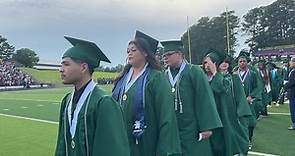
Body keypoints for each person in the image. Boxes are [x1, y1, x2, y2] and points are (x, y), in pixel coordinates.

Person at [55, 36, 130, 156]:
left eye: (66, 64)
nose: (61, 69)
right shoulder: (67, 101)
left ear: (83, 67)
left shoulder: (104, 103)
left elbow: (112, 150)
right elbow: (62, 145)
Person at [112, 31, 181, 156]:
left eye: (134, 50)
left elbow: (166, 117)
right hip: (122, 142)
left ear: (145, 53)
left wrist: (164, 150)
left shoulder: (156, 78)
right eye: (128, 51)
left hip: (147, 143)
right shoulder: (121, 79)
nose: (129, 53)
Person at [161, 40, 222, 156]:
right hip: (173, 126)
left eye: (169, 54)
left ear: (179, 54)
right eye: (164, 56)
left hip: (192, 126)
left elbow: (204, 98)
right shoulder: (164, 75)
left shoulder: (193, 71)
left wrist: (207, 126)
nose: (165, 58)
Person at [203, 50, 252, 156]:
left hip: (226, 116)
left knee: (226, 144)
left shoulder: (230, 79)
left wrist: (241, 115)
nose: (225, 64)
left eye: (227, 62)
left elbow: (221, 88)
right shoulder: (202, 79)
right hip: (210, 118)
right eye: (205, 63)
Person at [234, 51, 262, 149]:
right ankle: (240, 139)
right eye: (240, 61)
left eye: (244, 61)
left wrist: (251, 96)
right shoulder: (234, 74)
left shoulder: (252, 74)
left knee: (250, 122)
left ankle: (249, 140)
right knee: (238, 122)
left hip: (249, 102)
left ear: (247, 62)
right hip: (238, 102)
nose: (242, 63)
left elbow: (257, 87)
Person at [285, 57, 295, 130]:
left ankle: (294, 124)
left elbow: (291, 83)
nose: (290, 63)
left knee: (293, 109)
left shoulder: (293, 72)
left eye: (291, 62)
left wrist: (285, 85)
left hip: (293, 93)